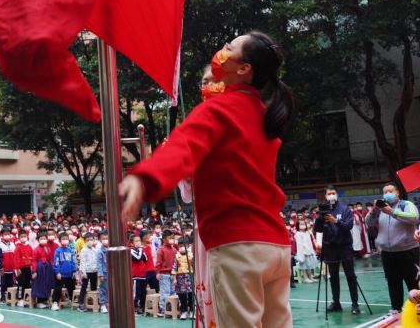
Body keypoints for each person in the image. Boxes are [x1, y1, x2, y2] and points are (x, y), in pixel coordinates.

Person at [120, 31, 296, 327]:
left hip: (238, 245)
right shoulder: (261, 115)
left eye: (229, 48)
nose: (221, 51)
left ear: (243, 70)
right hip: (275, 245)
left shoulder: (220, 109)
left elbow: (182, 146)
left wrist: (144, 178)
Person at [365, 182, 420, 314]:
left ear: (397, 193)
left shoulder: (406, 205)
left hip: (408, 251)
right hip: (387, 253)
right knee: (393, 282)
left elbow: (414, 218)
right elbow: (368, 223)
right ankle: (396, 308)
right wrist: (373, 211)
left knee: (413, 282)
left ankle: (417, 308)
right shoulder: (380, 209)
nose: (388, 194)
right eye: (385, 192)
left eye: (391, 191)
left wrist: (392, 212)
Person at [314, 185, 361, 315]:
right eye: (329, 194)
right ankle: (336, 303)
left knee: (350, 276)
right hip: (330, 248)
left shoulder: (345, 209)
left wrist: (336, 221)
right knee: (333, 277)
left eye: (333, 193)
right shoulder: (324, 211)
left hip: (345, 247)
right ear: (325, 196)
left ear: (337, 194)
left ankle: (355, 304)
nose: (331, 195)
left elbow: (349, 226)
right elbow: (318, 229)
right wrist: (320, 216)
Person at [51, 232, 76, 311]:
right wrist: (57, 272)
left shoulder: (69, 250)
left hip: (69, 274)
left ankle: (72, 301)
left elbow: (72, 261)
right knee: (58, 289)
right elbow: (56, 262)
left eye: (66, 239)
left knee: (71, 288)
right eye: (63, 239)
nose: (65, 240)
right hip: (60, 274)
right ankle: (54, 303)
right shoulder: (58, 251)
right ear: (59, 240)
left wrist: (74, 271)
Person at [155, 230, 177, 317]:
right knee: (165, 292)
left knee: (173, 292)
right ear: (164, 240)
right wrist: (157, 272)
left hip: (173, 274)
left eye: (173, 238)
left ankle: (170, 309)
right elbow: (158, 262)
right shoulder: (161, 249)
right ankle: (161, 309)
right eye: (170, 238)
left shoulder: (174, 249)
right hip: (164, 274)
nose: (172, 239)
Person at [30, 231, 54, 308]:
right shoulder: (36, 250)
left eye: (44, 238)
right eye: (41, 238)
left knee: (47, 283)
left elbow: (50, 259)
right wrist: (34, 271)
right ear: (38, 240)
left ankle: (45, 300)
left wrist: (52, 267)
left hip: (48, 268)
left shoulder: (48, 248)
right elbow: (33, 261)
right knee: (40, 284)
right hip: (39, 268)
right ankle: (39, 301)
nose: (43, 240)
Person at [173, 242, 194, 320]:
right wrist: (174, 279)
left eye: (183, 245)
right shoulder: (177, 256)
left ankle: (192, 311)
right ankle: (184, 312)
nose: (182, 247)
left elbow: (194, 266)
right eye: (180, 246)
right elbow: (174, 268)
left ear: (188, 246)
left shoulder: (191, 255)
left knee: (191, 295)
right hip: (180, 278)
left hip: (190, 277)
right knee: (182, 296)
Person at [13, 229, 33, 308]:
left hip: (28, 268)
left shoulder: (29, 247)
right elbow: (16, 259)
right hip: (21, 269)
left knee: (27, 284)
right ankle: (20, 299)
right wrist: (17, 269)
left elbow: (32, 257)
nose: (23, 238)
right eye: (22, 237)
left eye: (25, 236)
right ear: (19, 238)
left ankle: (27, 298)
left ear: (27, 237)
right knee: (21, 285)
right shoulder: (18, 248)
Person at [129, 235, 148, 315]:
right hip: (135, 276)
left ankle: (142, 307)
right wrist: (140, 250)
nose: (138, 242)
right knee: (136, 293)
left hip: (143, 275)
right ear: (132, 243)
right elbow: (138, 258)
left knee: (143, 293)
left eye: (139, 240)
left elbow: (145, 259)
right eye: (136, 241)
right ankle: (135, 307)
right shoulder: (131, 251)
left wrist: (142, 251)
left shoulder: (141, 250)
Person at [0, 228, 16, 304]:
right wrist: (0, 268)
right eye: (5, 234)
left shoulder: (13, 245)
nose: (7, 236)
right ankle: (2, 297)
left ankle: (10, 297)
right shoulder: (0, 246)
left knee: (10, 283)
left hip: (11, 270)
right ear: (2, 235)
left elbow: (15, 257)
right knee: (2, 284)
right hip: (3, 270)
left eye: (8, 234)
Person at [96, 231, 109, 314]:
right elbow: (99, 263)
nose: (105, 240)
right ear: (100, 240)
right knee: (103, 289)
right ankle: (103, 305)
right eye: (103, 239)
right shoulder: (100, 251)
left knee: (110, 289)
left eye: (107, 238)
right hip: (104, 273)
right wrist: (100, 274)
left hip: (111, 272)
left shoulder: (111, 249)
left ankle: (108, 303)